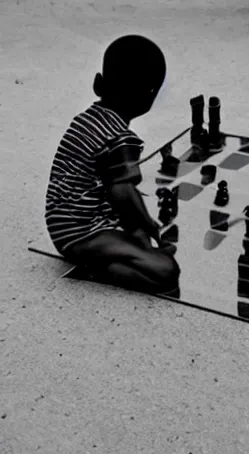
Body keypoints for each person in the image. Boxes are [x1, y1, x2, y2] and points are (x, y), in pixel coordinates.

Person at [45, 34, 180, 295]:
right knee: (167, 271)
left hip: (61, 223)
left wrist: (139, 229)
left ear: (98, 84)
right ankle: (97, 269)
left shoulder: (85, 120)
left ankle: (127, 251)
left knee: (141, 237)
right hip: (81, 234)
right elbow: (121, 193)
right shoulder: (119, 138)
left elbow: (111, 190)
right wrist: (150, 225)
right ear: (148, 100)